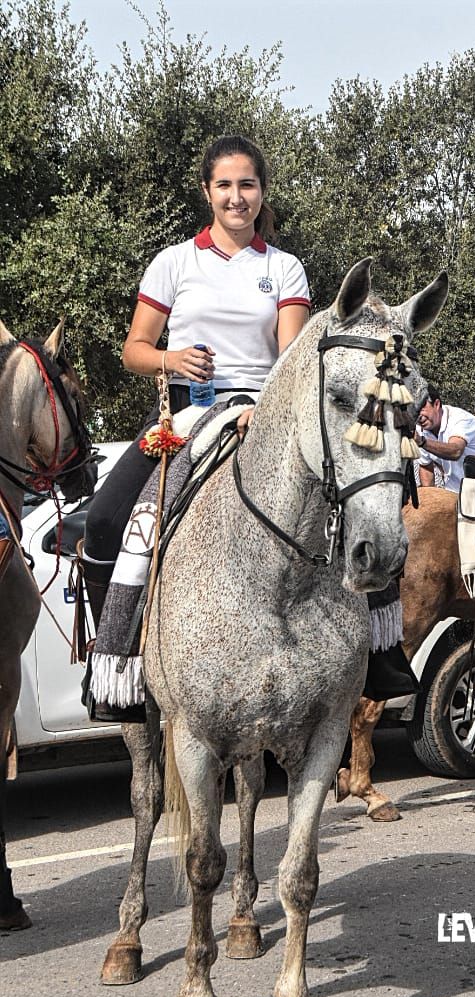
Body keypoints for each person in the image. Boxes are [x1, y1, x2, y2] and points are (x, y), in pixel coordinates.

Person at [82, 134, 310, 627]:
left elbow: (291, 359)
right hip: (181, 414)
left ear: (262, 192)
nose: (236, 197)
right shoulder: (174, 262)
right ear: (207, 192)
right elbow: (133, 351)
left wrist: (265, 409)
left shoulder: (285, 268)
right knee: (102, 520)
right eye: (224, 185)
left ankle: (377, 652)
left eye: (247, 185)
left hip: (259, 413)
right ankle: (113, 656)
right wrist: (173, 359)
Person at [415, 386, 475, 492]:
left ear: (437, 404)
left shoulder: (461, 420)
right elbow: (426, 467)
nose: (419, 416)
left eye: (421, 409)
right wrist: (429, 497)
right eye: (414, 411)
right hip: (454, 492)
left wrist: (422, 442)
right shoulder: (420, 430)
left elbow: (455, 451)